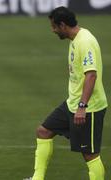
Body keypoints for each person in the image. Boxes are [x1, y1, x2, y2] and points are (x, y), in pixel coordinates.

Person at [25, 6, 107, 180]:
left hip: (88, 108)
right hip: (72, 104)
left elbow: (91, 75)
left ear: (62, 25)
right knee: (44, 131)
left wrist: (82, 107)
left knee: (90, 154)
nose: (53, 30)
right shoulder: (75, 39)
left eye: (54, 26)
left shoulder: (85, 41)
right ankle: (37, 178)